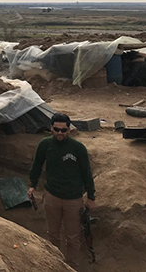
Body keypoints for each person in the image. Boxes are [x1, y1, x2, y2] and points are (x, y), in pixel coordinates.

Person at [28, 112, 96, 270]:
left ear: (69, 129)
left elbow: (87, 173)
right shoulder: (45, 145)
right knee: (53, 235)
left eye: (63, 130)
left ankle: (72, 267)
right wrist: (32, 184)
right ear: (51, 128)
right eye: (56, 129)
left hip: (73, 199)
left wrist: (91, 197)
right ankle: (54, 266)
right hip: (52, 196)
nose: (59, 133)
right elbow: (37, 166)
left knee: (72, 238)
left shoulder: (78, 148)